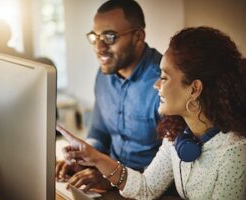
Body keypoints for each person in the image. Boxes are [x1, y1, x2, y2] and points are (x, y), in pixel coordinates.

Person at [57, 26, 246, 200]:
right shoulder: (177, 134)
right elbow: (146, 188)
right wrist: (96, 158)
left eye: (164, 77)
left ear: (194, 89)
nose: (156, 85)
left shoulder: (234, 154)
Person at [56, 0, 163, 192]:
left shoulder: (163, 84)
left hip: (147, 189)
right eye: (95, 37)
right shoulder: (104, 76)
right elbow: (99, 131)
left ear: (138, 36)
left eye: (109, 36)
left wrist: (111, 174)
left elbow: (173, 168)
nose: (99, 47)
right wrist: (83, 159)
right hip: (107, 180)